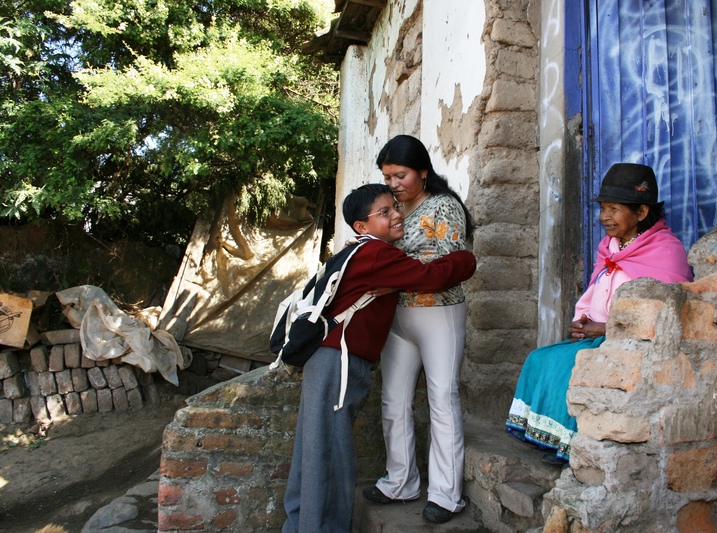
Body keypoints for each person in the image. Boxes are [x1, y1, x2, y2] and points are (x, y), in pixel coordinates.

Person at [282, 184, 476, 533]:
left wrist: (397, 283)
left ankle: (301, 524)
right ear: (362, 226)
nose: (396, 215)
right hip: (337, 360)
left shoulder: (362, 251)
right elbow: (429, 275)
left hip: (328, 357)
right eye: (384, 212)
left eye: (395, 208)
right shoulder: (378, 256)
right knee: (331, 452)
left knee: (313, 447)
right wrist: (466, 258)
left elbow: (401, 276)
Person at [505, 163, 693, 465]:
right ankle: (550, 438)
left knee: (571, 366)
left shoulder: (666, 251)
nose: (605, 217)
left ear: (642, 212)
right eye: (604, 208)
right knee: (539, 359)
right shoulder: (612, 247)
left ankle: (571, 445)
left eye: (614, 209)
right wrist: (582, 321)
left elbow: (663, 316)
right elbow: (596, 289)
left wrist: (606, 329)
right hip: (597, 336)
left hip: (631, 346)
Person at [362, 135, 476, 524]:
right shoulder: (390, 210)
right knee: (393, 400)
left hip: (438, 314)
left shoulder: (443, 207)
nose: (393, 183)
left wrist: (394, 275)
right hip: (397, 318)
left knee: (442, 399)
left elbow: (447, 265)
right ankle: (401, 481)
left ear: (423, 172)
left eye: (401, 174)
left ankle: (446, 495)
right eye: (387, 176)